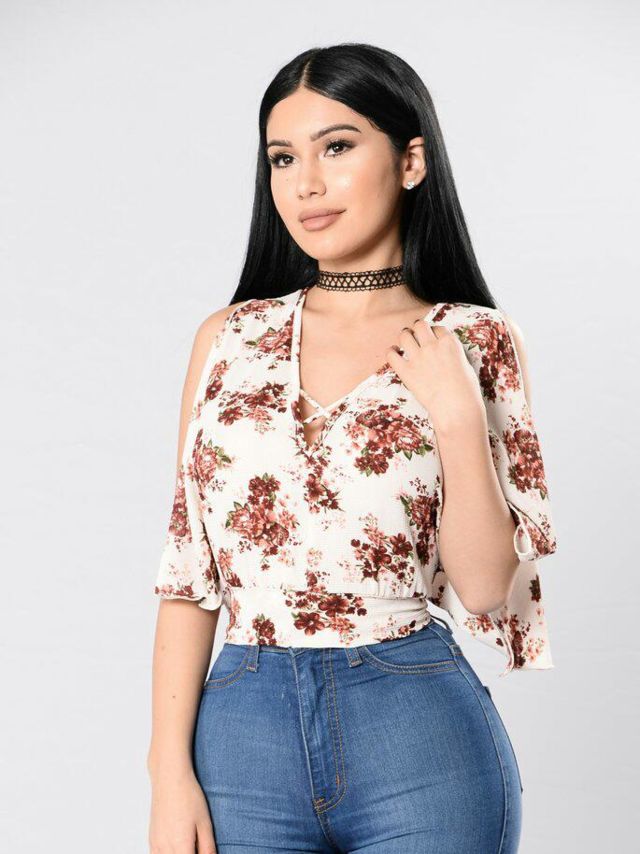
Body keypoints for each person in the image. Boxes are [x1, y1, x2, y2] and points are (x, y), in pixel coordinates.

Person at [147, 43, 557, 854]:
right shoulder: (229, 339)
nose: (306, 183)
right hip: (241, 733)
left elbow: (483, 588)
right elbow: (189, 572)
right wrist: (168, 774)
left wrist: (456, 415)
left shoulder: (475, 339)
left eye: (336, 147)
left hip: (418, 734)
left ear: (411, 161)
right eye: (282, 157)